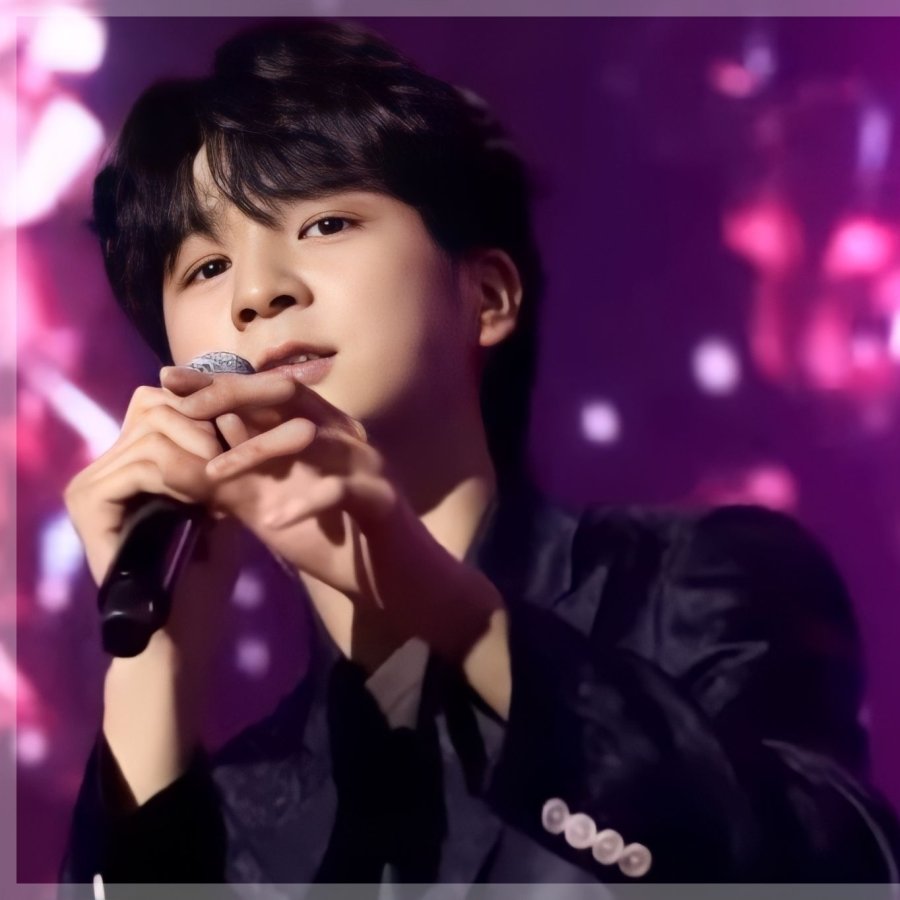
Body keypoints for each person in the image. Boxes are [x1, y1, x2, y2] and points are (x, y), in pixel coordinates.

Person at [57, 18, 900, 891]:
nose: (258, 293)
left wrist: (452, 614)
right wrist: (153, 665)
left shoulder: (695, 592)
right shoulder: (238, 809)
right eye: (204, 268)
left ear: (488, 296)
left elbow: (831, 868)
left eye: (326, 222)